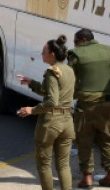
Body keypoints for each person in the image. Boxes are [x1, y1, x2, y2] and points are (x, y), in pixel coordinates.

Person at [67, 29, 110, 188]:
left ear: (83, 39)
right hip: (107, 105)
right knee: (107, 140)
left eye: (76, 41)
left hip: (85, 106)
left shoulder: (75, 55)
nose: (75, 45)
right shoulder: (108, 53)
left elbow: (68, 79)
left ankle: (87, 178)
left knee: (84, 140)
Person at [18, 35, 76, 190]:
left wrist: (32, 110)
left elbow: (51, 101)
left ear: (52, 54)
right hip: (67, 121)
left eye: (44, 52)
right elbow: (52, 91)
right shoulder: (69, 70)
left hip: (51, 123)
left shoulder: (52, 72)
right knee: (63, 165)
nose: (41, 54)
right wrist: (32, 83)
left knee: (44, 165)